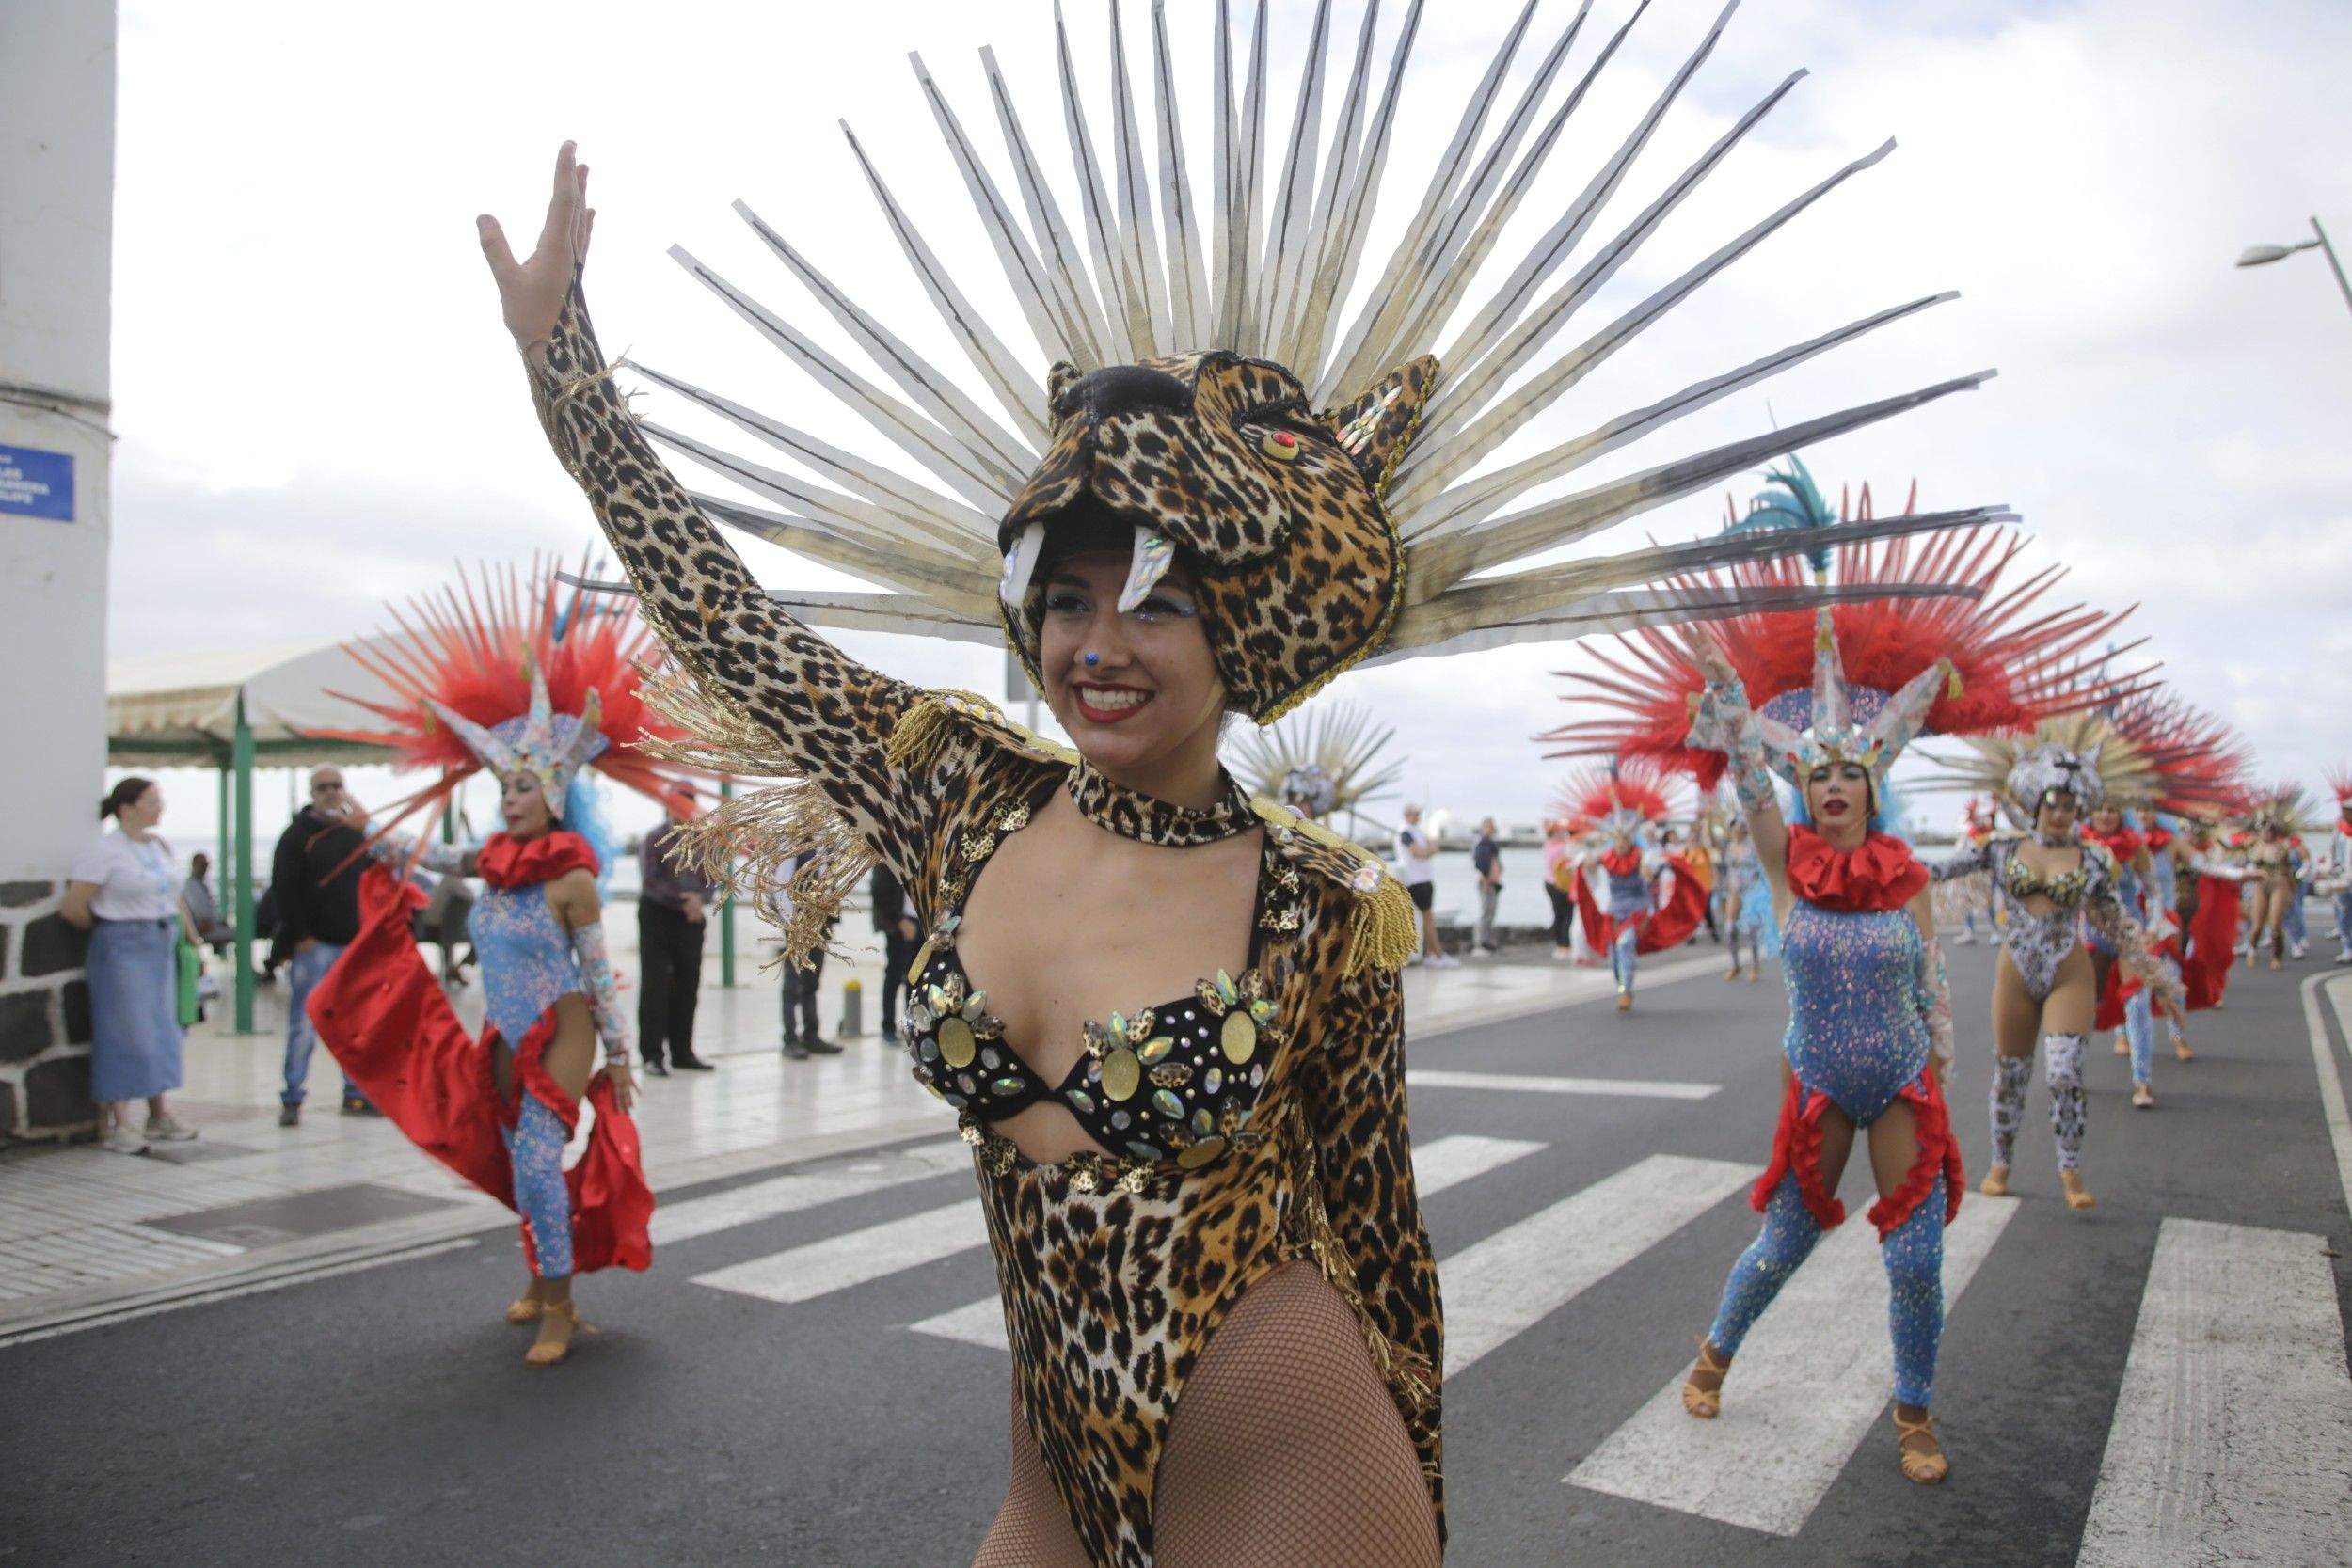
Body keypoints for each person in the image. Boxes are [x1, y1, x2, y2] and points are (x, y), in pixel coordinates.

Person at [479, 0, 1992, 1535]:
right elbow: (733, 634)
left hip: (1287, 1479)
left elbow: (1385, 1249)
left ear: (1241, 624)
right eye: (1066, 595)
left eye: (1155, 597)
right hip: (1051, 1473)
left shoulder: (1325, 905)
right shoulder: (957, 795)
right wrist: (571, 380)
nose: (1098, 643)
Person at [308, 610, 668, 1369]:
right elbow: (426, 854)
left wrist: (623, 1055)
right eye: (505, 784)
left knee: (538, 1159)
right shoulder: (492, 864)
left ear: (555, 794)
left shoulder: (574, 879)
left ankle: (563, 1305)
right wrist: (364, 824)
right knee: (514, 1159)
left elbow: (599, 975)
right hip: (504, 1027)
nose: (511, 796)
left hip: (563, 1031)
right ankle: (541, 1276)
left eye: (525, 785)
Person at [1675, 624, 1963, 1483]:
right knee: (1782, 1245)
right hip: (1821, 1089)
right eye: (1821, 773)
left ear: (1875, 787)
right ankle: (1717, 1352)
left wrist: (1940, 1069)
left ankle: (1914, 1411)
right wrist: (1727, 686)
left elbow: (1933, 985)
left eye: (1851, 772)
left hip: (1904, 1083)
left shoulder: (1909, 880)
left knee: (1915, 1259)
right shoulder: (1784, 866)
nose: (1834, 785)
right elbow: (1750, 777)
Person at [1928, 740, 2185, 1211]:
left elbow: (2110, 915)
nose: (2062, 814)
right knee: (2011, 1074)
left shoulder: (2092, 860)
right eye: (2054, 804)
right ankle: (2001, 1163)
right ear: (2036, 803)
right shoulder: (2001, 850)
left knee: (2065, 1074)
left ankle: (2070, 1168)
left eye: (2071, 806)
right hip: (2016, 974)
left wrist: (2152, 970)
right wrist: (1877, 865)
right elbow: (1937, 872)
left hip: (2069, 971)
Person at [61, 778, 202, 1154]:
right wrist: (110, 930)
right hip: (122, 944)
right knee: (124, 1030)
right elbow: (74, 905)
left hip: (160, 942)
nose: (159, 808)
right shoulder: (104, 852)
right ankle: (120, 1121)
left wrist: (190, 938)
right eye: (151, 802)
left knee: (161, 1028)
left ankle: (159, 1112)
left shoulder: (158, 848)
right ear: (127, 808)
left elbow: (174, 898)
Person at [269, 767, 371, 1122]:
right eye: (322, 787)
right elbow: (283, 888)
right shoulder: (297, 836)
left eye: (336, 786)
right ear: (312, 793)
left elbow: (376, 873)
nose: (330, 792)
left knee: (353, 1023)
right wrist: (302, 935)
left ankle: (355, 1094)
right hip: (315, 946)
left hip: (352, 944)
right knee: (304, 1024)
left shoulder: (354, 833)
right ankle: (292, 1097)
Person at [637, 784, 718, 1074]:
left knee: (688, 985)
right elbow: (651, 882)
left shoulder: (704, 840)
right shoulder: (655, 838)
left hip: (691, 920)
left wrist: (699, 900)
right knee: (655, 985)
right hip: (658, 916)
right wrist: (685, 900)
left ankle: (682, 1052)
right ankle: (652, 1055)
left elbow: (713, 878)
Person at [779, 850, 840, 1058]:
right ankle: (790, 1038)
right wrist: (792, 924)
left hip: (820, 923)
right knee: (793, 983)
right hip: (798, 923)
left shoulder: (827, 847)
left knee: (812, 981)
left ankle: (811, 1034)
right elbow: (783, 884)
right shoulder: (797, 845)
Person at [1393, 804, 1452, 969]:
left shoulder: (1416, 831)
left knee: (1426, 917)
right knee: (1427, 917)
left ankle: (1430, 953)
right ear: (1408, 814)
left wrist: (1428, 850)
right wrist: (1428, 851)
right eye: (1416, 813)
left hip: (1424, 878)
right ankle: (1437, 953)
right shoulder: (1405, 832)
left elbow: (1431, 847)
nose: (1418, 816)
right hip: (1415, 879)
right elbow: (1418, 852)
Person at [873, 859, 918, 1042]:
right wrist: (899, 920)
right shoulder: (889, 854)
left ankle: (911, 1025)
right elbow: (879, 891)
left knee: (915, 978)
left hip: (920, 921)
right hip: (899, 923)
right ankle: (888, 1026)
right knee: (894, 974)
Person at [1540, 820, 1577, 961]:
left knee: (1558, 915)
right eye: (1561, 832)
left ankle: (1560, 945)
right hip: (1561, 884)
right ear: (1555, 833)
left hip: (1549, 882)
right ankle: (1565, 946)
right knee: (1567, 915)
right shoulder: (1562, 847)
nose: (1564, 834)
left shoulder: (1547, 846)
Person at [182, 853, 231, 949]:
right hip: (203, 929)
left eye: (206, 865)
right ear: (193, 865)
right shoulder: (191, 886)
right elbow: (202, 917)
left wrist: (220, 921)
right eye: (201, 864)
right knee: (242, 933)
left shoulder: (200, 884)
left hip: (209, 926)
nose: (204, 868)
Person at [1470, 817, 1503, 957]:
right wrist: (1485, 880)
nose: (1490, 828)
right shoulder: (1482, 844)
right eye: (1488, 826)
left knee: (1491, 912)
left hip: (1493, 882)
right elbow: (1479, 864)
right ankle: (1481, 942)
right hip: (1486, 882)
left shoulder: (1491, 844)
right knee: (1485, 912)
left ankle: (1487, 941)